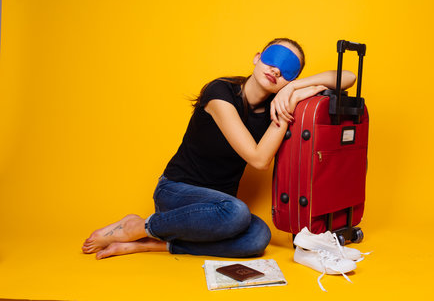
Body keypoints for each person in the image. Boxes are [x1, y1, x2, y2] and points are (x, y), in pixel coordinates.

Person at [82, 38, 356, 260]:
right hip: (176, 193)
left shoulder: (279, 99)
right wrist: (290, 104)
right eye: (273, 60)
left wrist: (295, 88)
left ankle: (149, 245)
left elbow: (348, 76)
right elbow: (259, 159)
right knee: (237, 212)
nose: (276, 70)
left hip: (216, 209)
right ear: (257, 57)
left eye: (288, 70)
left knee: (259, 237)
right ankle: (139, 226)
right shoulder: (220, 93)